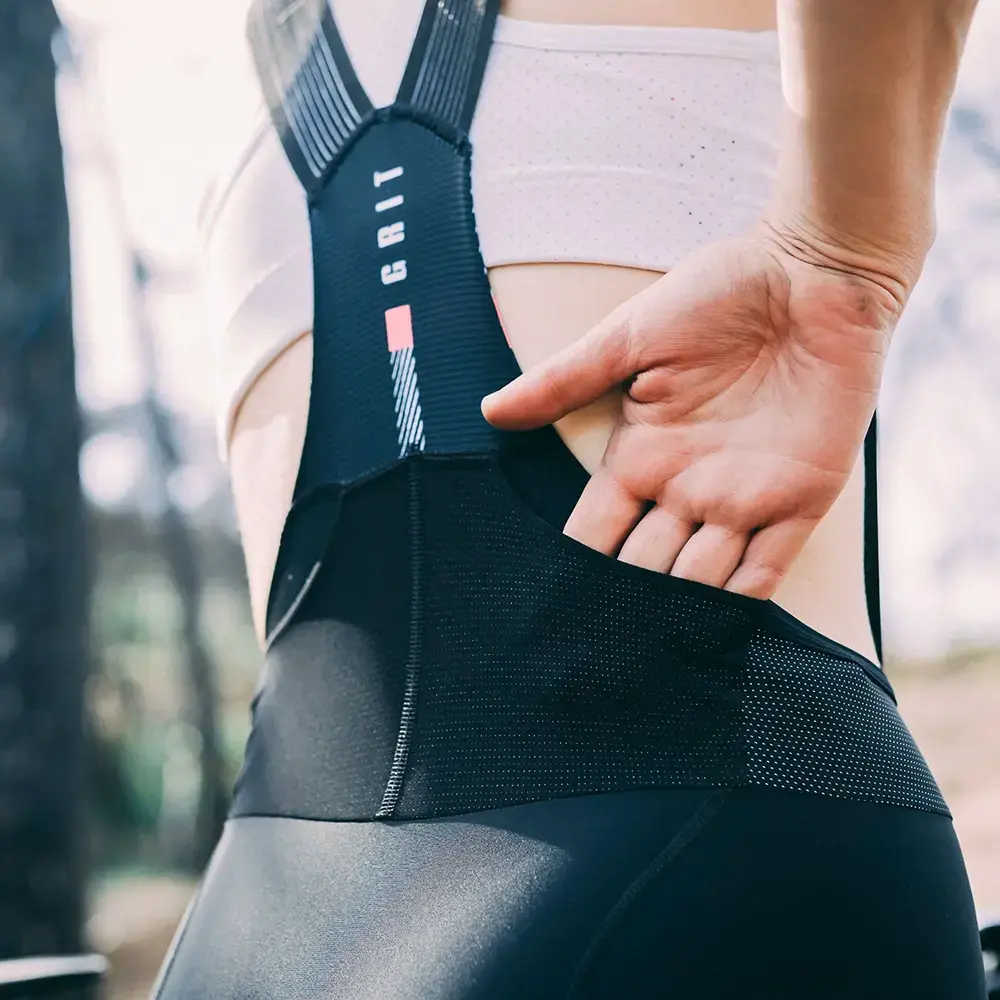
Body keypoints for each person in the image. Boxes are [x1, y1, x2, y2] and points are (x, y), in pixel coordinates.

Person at [152, 0, 987, 996]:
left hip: (274, 926)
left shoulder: (237, 83)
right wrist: (846, 252)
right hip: (686, 851)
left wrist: (840, 255)